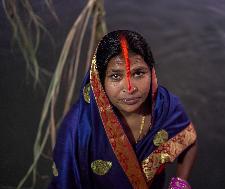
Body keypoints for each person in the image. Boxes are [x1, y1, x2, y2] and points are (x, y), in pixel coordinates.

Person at [48, 30, 197, 189]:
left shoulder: (164, 107)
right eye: (115, 76)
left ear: (151, 71)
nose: (130, 87)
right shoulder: (78, 127)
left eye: (138, 73)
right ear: (99, 80)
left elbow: (189, 142)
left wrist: (180, 183)